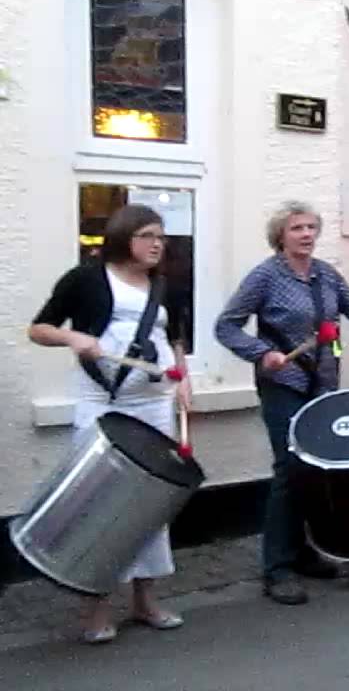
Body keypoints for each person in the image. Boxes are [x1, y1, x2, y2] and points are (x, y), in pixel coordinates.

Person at [30, 204, 192, 643]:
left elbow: (175, 337)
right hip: (100, 398)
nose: (158, 243)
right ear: (123, 238)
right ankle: (96, 607)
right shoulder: (84, 279)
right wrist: (71, 336)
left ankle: (145, 600)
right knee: (98, 500)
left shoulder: (166, 285)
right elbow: (38, 328)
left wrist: (183, 381)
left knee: (152, 502)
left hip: (153, 403)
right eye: (147, 235)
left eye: (161, 235)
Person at [216, 201, 349, 605]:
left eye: (311, 227)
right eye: (297, 229)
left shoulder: (326, 275)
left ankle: (304, 551)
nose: (306, 234)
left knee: (314, 469)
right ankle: (277, 568)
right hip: (284, 384)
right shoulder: (265, 277)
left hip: (322, 385)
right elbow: (226, 326)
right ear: (281, 235)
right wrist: (261, 353)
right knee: (290, 468)